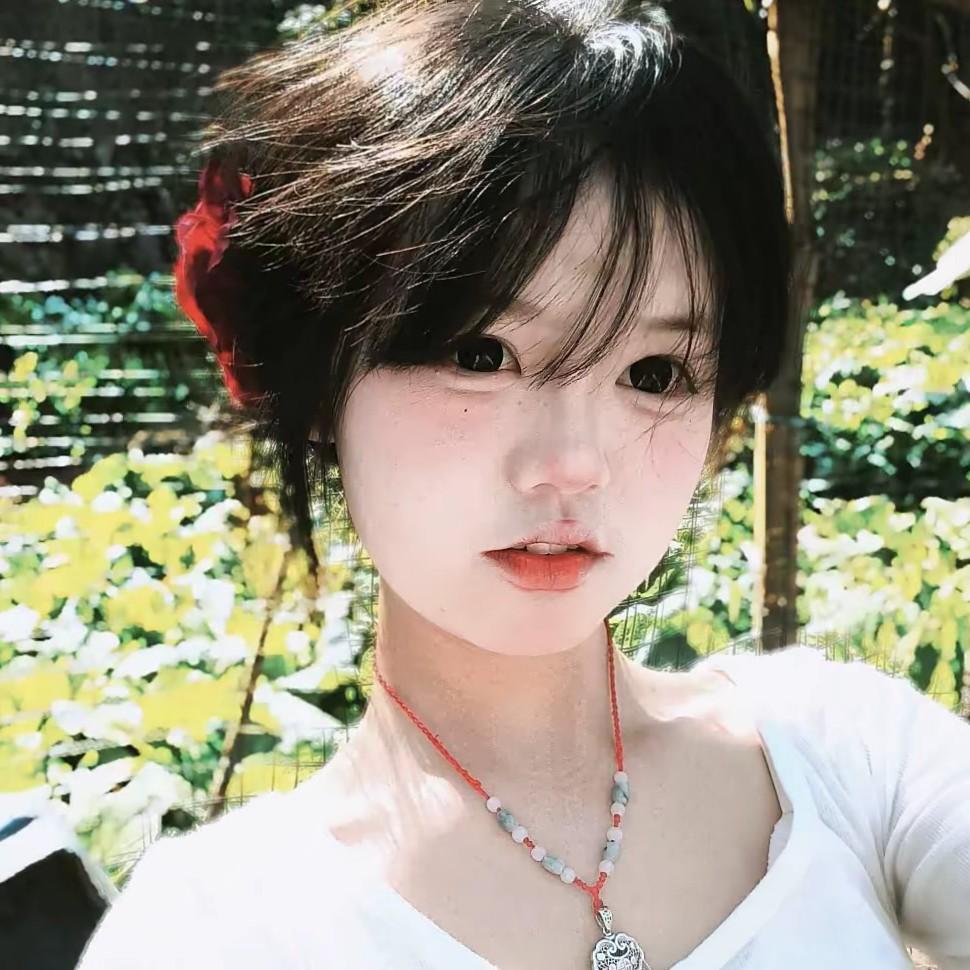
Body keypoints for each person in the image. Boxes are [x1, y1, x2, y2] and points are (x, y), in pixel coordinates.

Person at [77, 1, 970, 968]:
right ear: (323, 379)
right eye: (481, 353)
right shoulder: (212, 932)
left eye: (656, 373)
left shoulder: (849, 758)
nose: (576, 462)